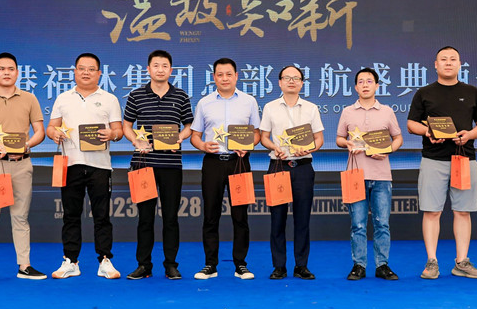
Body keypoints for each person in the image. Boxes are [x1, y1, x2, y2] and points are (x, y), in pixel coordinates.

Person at [407, 46, 477, 279]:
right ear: (436, 64)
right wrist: (427, 132)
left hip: (464, 159)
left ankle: (461, 262)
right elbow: (411, 124)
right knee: (432, 211)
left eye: (453, 59)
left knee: (463, 211)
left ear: (460, 64)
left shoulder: (472, 92)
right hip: (433, 159)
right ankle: (431, 262)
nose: (448, 63)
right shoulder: (424, 93)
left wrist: (470, 135)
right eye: (443, 59)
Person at [0, 52, 47, 284]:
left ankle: (24, 266)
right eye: (1, 69)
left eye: (11, 69)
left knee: (21, 217)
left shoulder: (29, 99)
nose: (6, 73)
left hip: (21, 165)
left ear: (17, 73)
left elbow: (40, 132)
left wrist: (26, 146)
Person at [47, 52, 123, 279]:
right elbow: (51, 127)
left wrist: (112, 134)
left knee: (102, 215)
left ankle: (105, 260)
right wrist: (54, 133)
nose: (86, 73)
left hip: (100, 166)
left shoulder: (109, 99)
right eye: (82, 68)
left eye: (91, 69)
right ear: (75, 72)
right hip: (71, 164)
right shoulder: (63, 98)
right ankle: (70, 261)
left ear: (99, 73)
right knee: (71, 215)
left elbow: (119, 131)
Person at [122, 50, 194, 280]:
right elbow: (126, 125)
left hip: (171, 165)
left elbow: (189, 126)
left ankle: (171, 264)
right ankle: (144, 265)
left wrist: (180, 137)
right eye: (156, 65)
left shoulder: (181, 96)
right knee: (145, 218)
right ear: (148, 69)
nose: (160, 69)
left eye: (164, 66)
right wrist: (136, 141)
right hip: (143, 164)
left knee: (171, 217)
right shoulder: (136, 95)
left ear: (171, 70)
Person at [190, 58, 261, 280]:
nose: (225, 78)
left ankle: (241, 265)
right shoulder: (204, 103)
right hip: (213, 162)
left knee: (240, 216)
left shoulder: (249, 101)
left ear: (236, 76)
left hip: (239, 162)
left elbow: (257, 133)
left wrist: (248, 145)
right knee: (211, 215)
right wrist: (203, 146)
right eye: (220, 75)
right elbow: (195, 136)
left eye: (229, 74)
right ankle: (210, 265)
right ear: (214, 77)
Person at [336, 67, 404, 280]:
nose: (365, 85)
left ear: (377, 86)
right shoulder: (348, 111)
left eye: (369, 81)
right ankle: (359, 265)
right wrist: (346, 143)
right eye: (361, 81)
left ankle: (382, 265)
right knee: (358, 224)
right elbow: (339, 138)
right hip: (355, 175)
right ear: (355, 87)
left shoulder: (387, 111)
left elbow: (398, 138)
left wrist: (387, 150)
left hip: (381, 175)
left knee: (382, 223)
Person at [260, 65, 325, 280]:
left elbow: (319, 139)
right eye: (287, 78)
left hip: (303, 167)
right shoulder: (270, 107)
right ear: (279, 82)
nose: (291, 81)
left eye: (296, 78)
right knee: (277, 219)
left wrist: (310, 148)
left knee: (302, 218)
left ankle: (301, 266)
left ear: (302, 83)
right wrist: (274, 147)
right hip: (278, 166)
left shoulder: (311, 108)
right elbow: (264, 137)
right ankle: (279, 266)